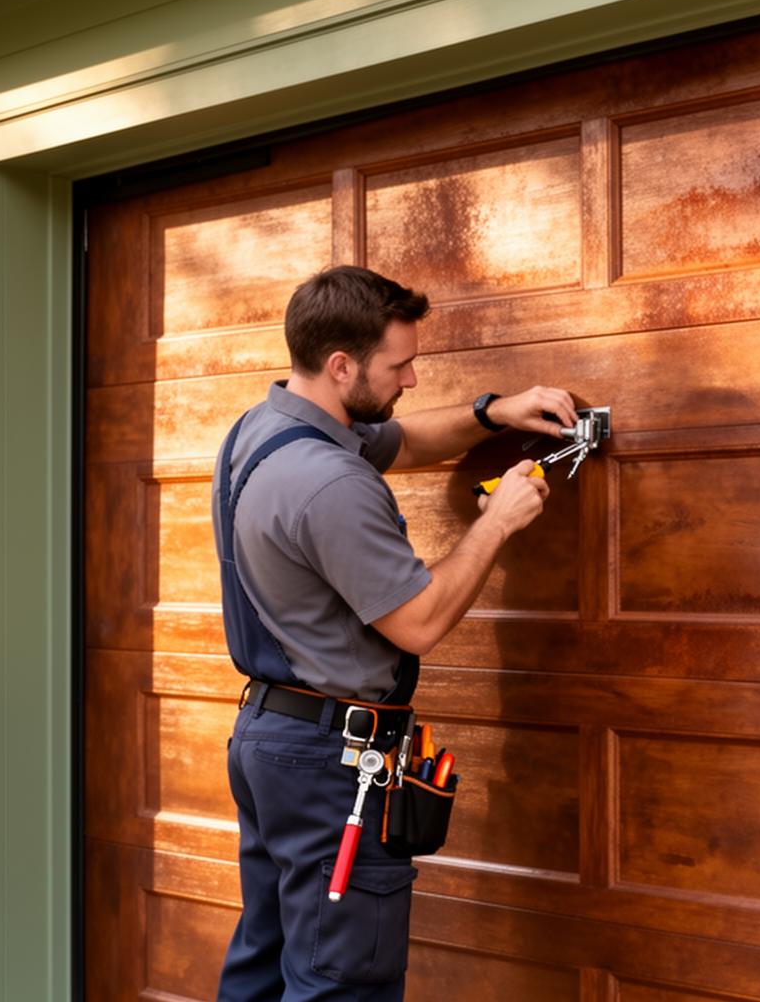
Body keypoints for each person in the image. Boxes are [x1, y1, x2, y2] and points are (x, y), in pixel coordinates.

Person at [212, 264, 575, 1001]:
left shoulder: (266, 430)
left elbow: (401, 440)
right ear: (341, 364)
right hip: (328, 763)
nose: (411, 378)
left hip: (271, 741)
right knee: (342, 982)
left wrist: (493, 412)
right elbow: (419, 622)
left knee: (265, 963)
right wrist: (497, 523)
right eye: (399, 364)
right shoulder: (331, 483)